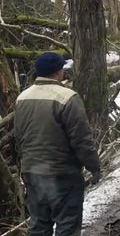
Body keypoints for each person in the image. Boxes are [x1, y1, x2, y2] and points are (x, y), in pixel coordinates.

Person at [14, 52, 101, 236]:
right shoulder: (67, 98)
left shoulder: (22, 98)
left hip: (32, 173)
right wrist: (94, 167)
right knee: (67, 227)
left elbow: (19, 137)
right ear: (58, 72)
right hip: (62, 174)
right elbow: (81, 140)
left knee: (38, 226)